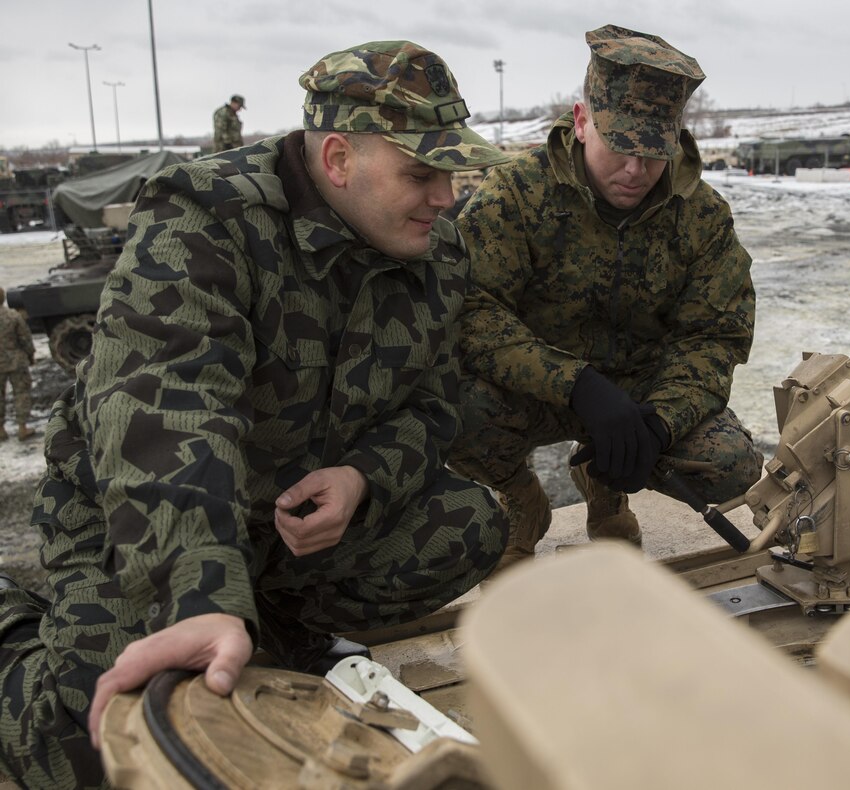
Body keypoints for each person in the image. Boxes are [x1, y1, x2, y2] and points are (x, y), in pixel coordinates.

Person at [0, 40, 508, 788]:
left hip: (284, 519)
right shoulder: (204, 216)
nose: (446, 197)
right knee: (109, 748)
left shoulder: (436, 249)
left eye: (451, 175)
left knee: (468, 525)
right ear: (338, 160)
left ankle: (273, 624)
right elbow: (163, 408)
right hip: (139, 515)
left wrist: (362, 477)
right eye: (422, 174)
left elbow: (434, 402)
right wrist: (200, 595)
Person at [449, 24, 763, 568]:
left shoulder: (701, 214)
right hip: (537, 385)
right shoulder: (516, 194)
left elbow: (715, 334)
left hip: (641, 390)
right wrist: (576, 385)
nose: (636, 170)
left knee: (731, 463)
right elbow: (471, 310)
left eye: (654, 151)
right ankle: (521, 498)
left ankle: (603, 485)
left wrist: (662, 420)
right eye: (619, 146)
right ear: (581, 122)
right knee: (442, 407)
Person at [0, 286, 36, 441]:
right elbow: (25, 338)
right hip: (16, 361)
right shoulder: (13, 316)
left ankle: (0, 429)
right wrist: (31, 354)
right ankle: (22, 427)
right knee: (21, 393)